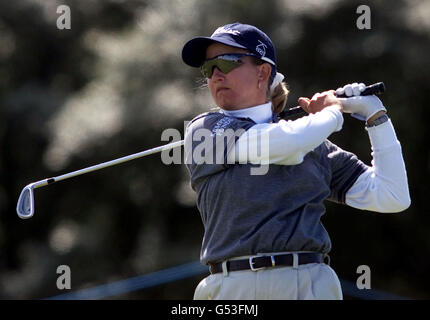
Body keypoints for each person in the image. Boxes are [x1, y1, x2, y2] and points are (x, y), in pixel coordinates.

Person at [181, 22, 410, 300]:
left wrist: (377, 119)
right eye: (208, 68)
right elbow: (282, 145)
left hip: (312, 285)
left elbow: (392, 196)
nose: (215, 75)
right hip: (234, 288)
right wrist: (333, 113)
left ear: (263, 71)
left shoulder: (313, 144)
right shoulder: (204, 129)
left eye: (226, 63)